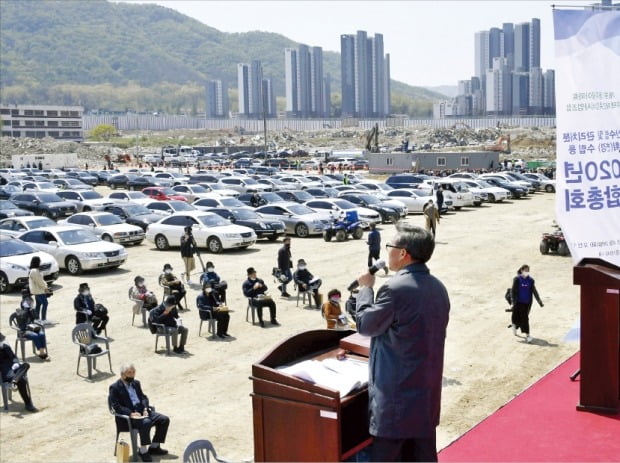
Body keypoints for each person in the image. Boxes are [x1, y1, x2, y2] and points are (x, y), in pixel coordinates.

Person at [355, 223, 450, 462]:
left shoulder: (395, 289)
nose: (387, 252)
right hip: (425, 399)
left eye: (390, 246)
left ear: (403, 253)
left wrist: (366, 290)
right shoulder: (438, 288)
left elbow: (366, 325)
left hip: (395, 403)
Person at [108, 363, 170, 462]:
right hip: (129, 418)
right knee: (146, 423)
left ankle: (154, 447)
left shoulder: (136, 383)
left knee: (164, 419)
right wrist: (130, 413)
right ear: (122, 374)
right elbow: (116, 406)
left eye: (133, 372)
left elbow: (143, 397)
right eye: (129, 373)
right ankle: (143, 451)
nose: (132, 375)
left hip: (142, 412)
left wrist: (145, 408)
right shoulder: (115, 387)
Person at [0, 332, 38, 412]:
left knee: (26, 365)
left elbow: (13, 356)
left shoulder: (5, 346)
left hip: (14, 366)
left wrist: (16, 362)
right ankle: (28, 404)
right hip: (5, 370)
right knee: (22, 380)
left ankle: (15, 381)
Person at [510, 264, 544, 343]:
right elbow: (513, 291)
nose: (527, 272)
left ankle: (528, 335)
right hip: (517, 302)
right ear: (521, 270)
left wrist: (539, 301)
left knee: (525, 319)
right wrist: (512, 302)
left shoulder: (531, 280)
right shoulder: (517, 279)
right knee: (515, 317)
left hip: (526, 303)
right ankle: (514, 326)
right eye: (525, 270)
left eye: (528, 271)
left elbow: (534, 291)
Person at [15, 289, 48, 360]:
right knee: (35, 335)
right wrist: (26, 312)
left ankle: (42, 352)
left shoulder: (31, 311)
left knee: (42, 334)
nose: (29, 303)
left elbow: (36, 319)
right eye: (27, 302)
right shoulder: (20, 313)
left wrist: (32, 312)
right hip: (24, 331)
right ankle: (42, 354)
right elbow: (22, 327)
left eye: (30, 301)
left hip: (32, 329)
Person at [28, 256, 51, 325]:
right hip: (39, 291)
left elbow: (41, 280)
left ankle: (37, 319)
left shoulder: (35, 270)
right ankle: (43, 319)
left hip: (38, 290)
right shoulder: (34, 271)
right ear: (37, 262)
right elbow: (40, 281)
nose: (40, 262)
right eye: (39, 261)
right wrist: (46, 288)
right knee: (45, 303)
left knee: (38, 304)